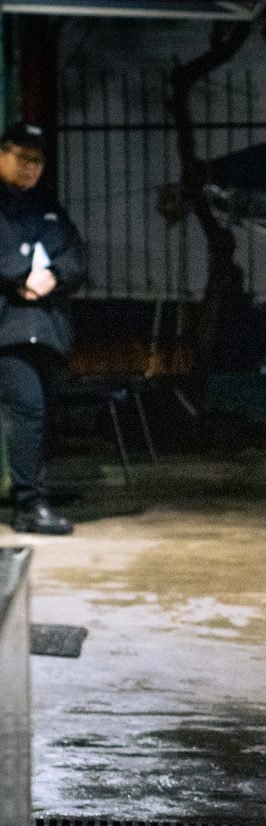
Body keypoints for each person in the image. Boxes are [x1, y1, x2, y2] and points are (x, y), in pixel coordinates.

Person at [0, 121, 86, 535]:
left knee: (40, 412)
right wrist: (21, 275)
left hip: (47, 328)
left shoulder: (48, 209)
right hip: (8, 328)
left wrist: (53, 276)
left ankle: (34, 495)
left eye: (37, 161)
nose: (30, 168)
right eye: (22, 158)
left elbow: (75, 256)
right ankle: (29, 504)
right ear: (3, 154)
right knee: (27, 408)